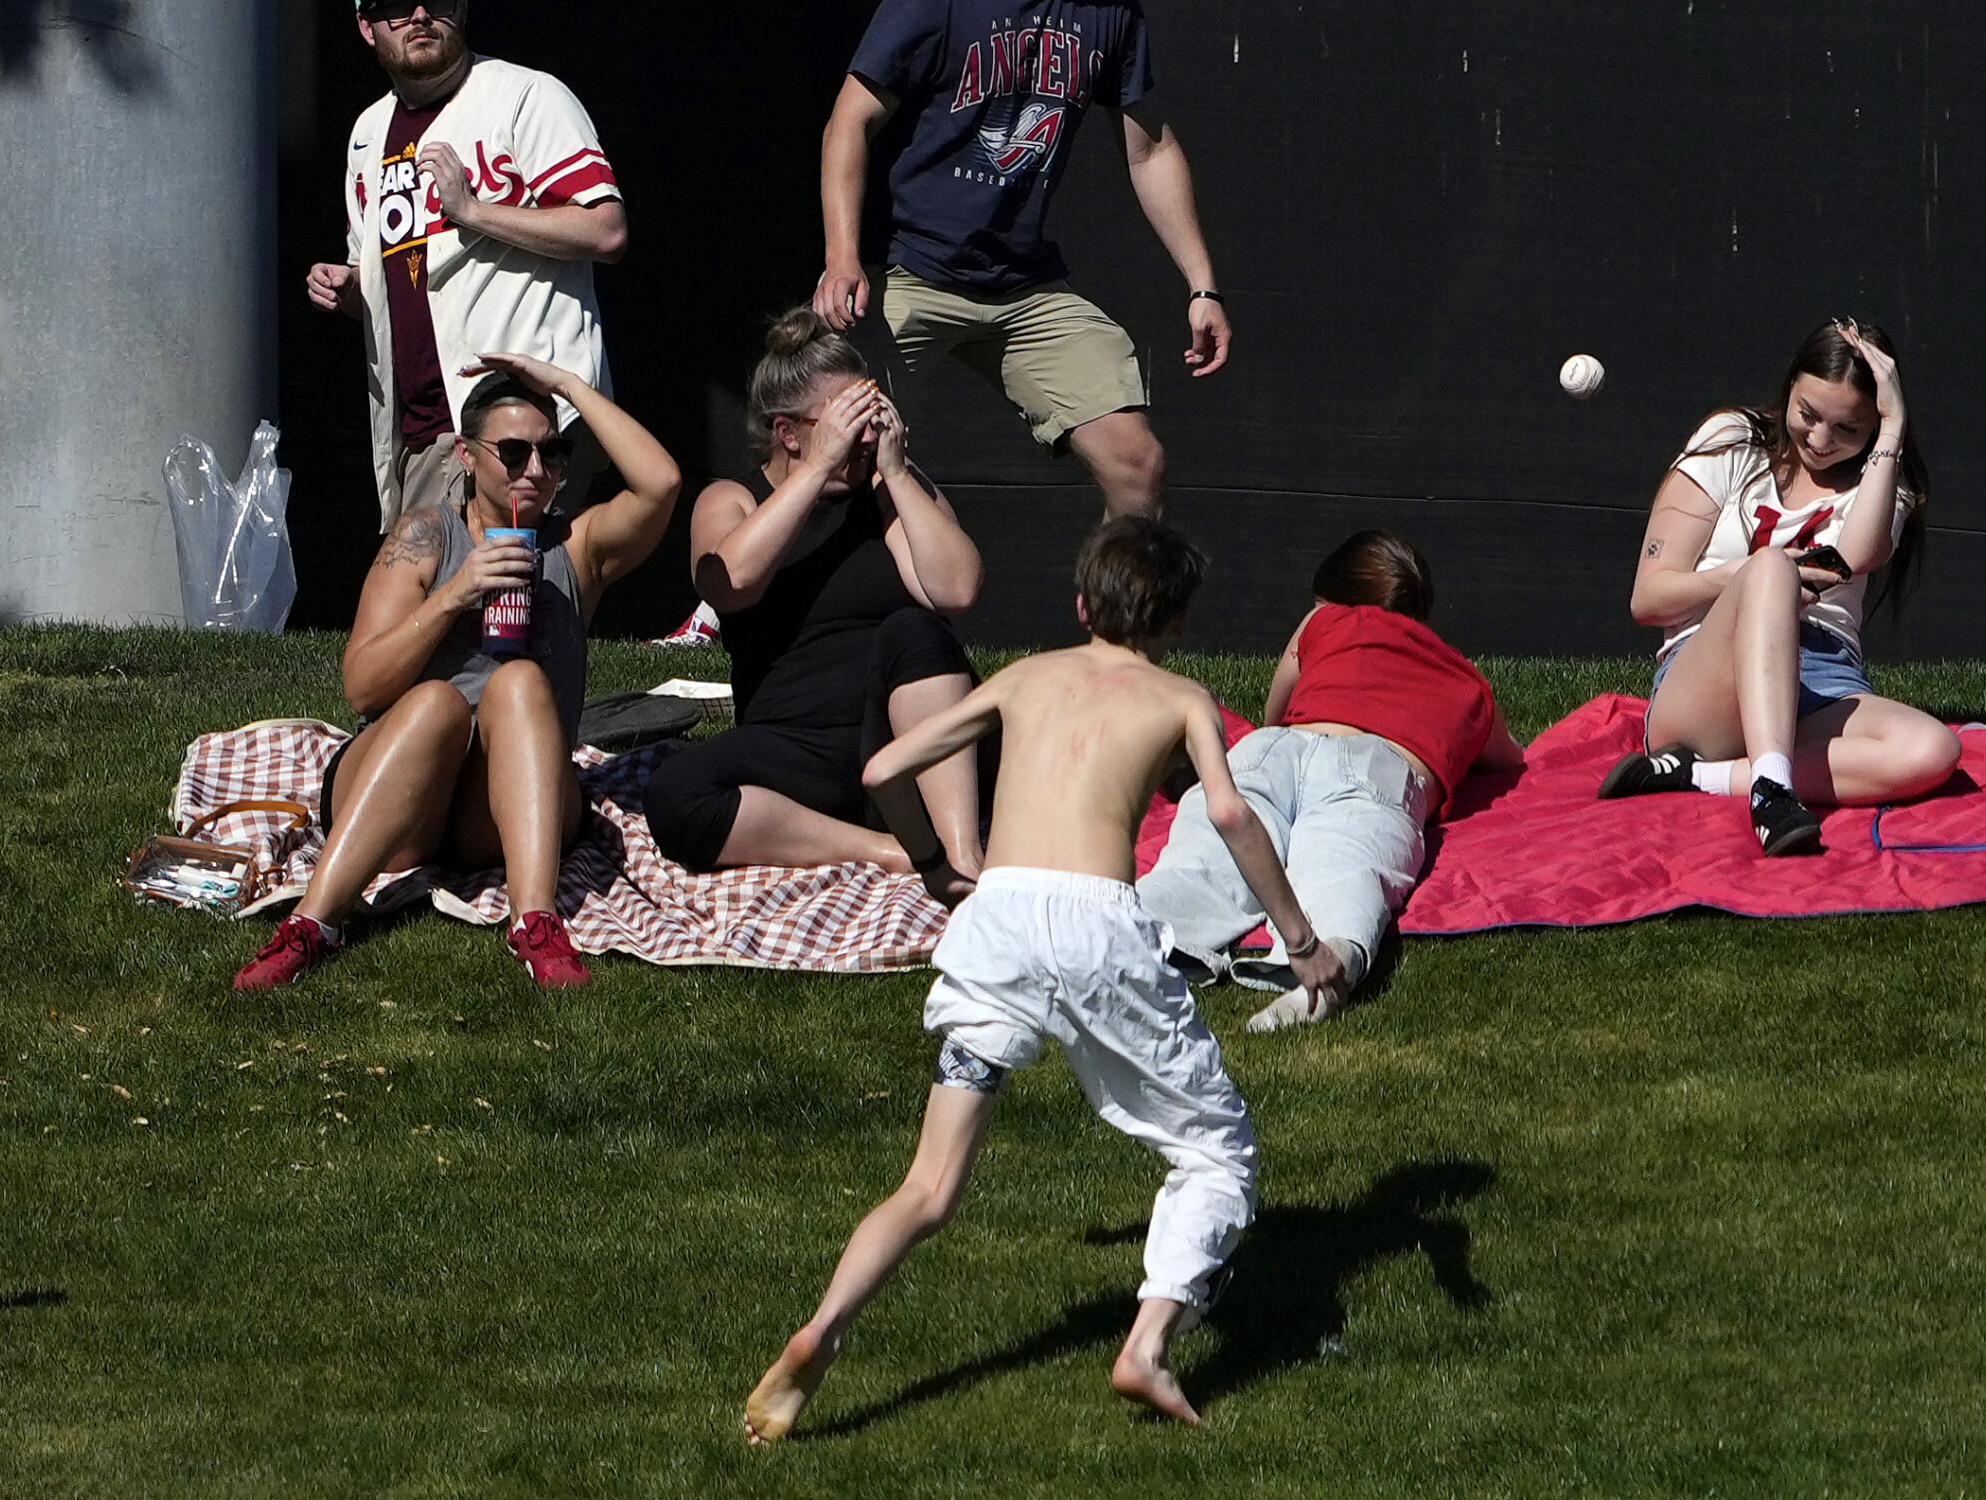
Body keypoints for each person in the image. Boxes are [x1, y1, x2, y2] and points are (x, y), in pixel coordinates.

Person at [743, 517, 1342, 1439]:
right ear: (1178, 619)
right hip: (1096, 927)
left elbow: (885, 764)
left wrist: (935, 860)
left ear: (1078, 604)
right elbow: (1228, 813)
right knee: (1216, 1150)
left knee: (931, 1187)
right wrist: (1301, 941)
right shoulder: (1182, 695)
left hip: (1001, 923)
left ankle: (823, 1329)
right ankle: (1145, 1349)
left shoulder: (1023, 674)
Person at [813, 0, 1230, 520]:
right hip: (910, 270)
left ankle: (1113, 633)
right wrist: (843, 257)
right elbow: (850, 123)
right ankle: (728, 605)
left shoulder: (1107, 7)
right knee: (822, 436)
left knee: (1140, 463)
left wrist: (1202, 285)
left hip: (1024, 287)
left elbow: (1151, 148)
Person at [231, 355, 680, 991]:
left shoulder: (574, 548)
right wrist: (453, 596)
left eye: (553, 454)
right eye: (515, 451)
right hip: (406, 792)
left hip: (494, 814)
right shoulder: (426, 535)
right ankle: (311, 926)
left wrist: (568, 386)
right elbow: (361, 686)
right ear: (468, 457)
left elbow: (660, 483)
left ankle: (536, 924)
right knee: (437, 702)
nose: (536, 470)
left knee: (518, 682)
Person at [642, 309, 988, 877]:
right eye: (848, 424)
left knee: (914, 629)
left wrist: (897, 478)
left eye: (872, 417)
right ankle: (895, 852)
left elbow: (957, 591)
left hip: (911, 740)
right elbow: (729, 584)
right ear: (789, 433)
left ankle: (959, 858)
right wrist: (818, 469)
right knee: (676, 793)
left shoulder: (888, 489)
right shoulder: (734, 499)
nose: (865, 439)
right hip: (796, 746)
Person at [1600, 318, 1962, 855]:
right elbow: (1648, 599)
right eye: (1808, 414)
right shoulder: (1733, 440)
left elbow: (1860, 553)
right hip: (1707, 682)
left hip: (1821, 677)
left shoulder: (1885, 477)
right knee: (1771, 567)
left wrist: (1895, 426)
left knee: (1932, 750)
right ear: (1788, 386)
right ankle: (1770, 788)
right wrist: (1748, 578)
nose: (1820, 440)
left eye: (1849, 430)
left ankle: (1698, 777)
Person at [1138, 530, 1524, 1033]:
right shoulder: (1467, 681)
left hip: (1280, 748)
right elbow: (1508, 758)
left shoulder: (1325, 620)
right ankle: (1319, 975)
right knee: (1347, 872)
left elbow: (1274, 713)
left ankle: (1137, 935)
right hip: (1376, 767)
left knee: (1202, 860)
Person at [305, 0, 629, 527]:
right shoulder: (368, 131)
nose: (420, 16)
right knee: (439, 607)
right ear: (366, 26)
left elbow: (605, 229)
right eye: (397, 4)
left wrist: (476, 212)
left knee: (494, 604)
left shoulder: (526, 95)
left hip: (522, 422)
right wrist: (349, 287)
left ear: (463, 7)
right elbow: (389, 279)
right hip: (423, 427)